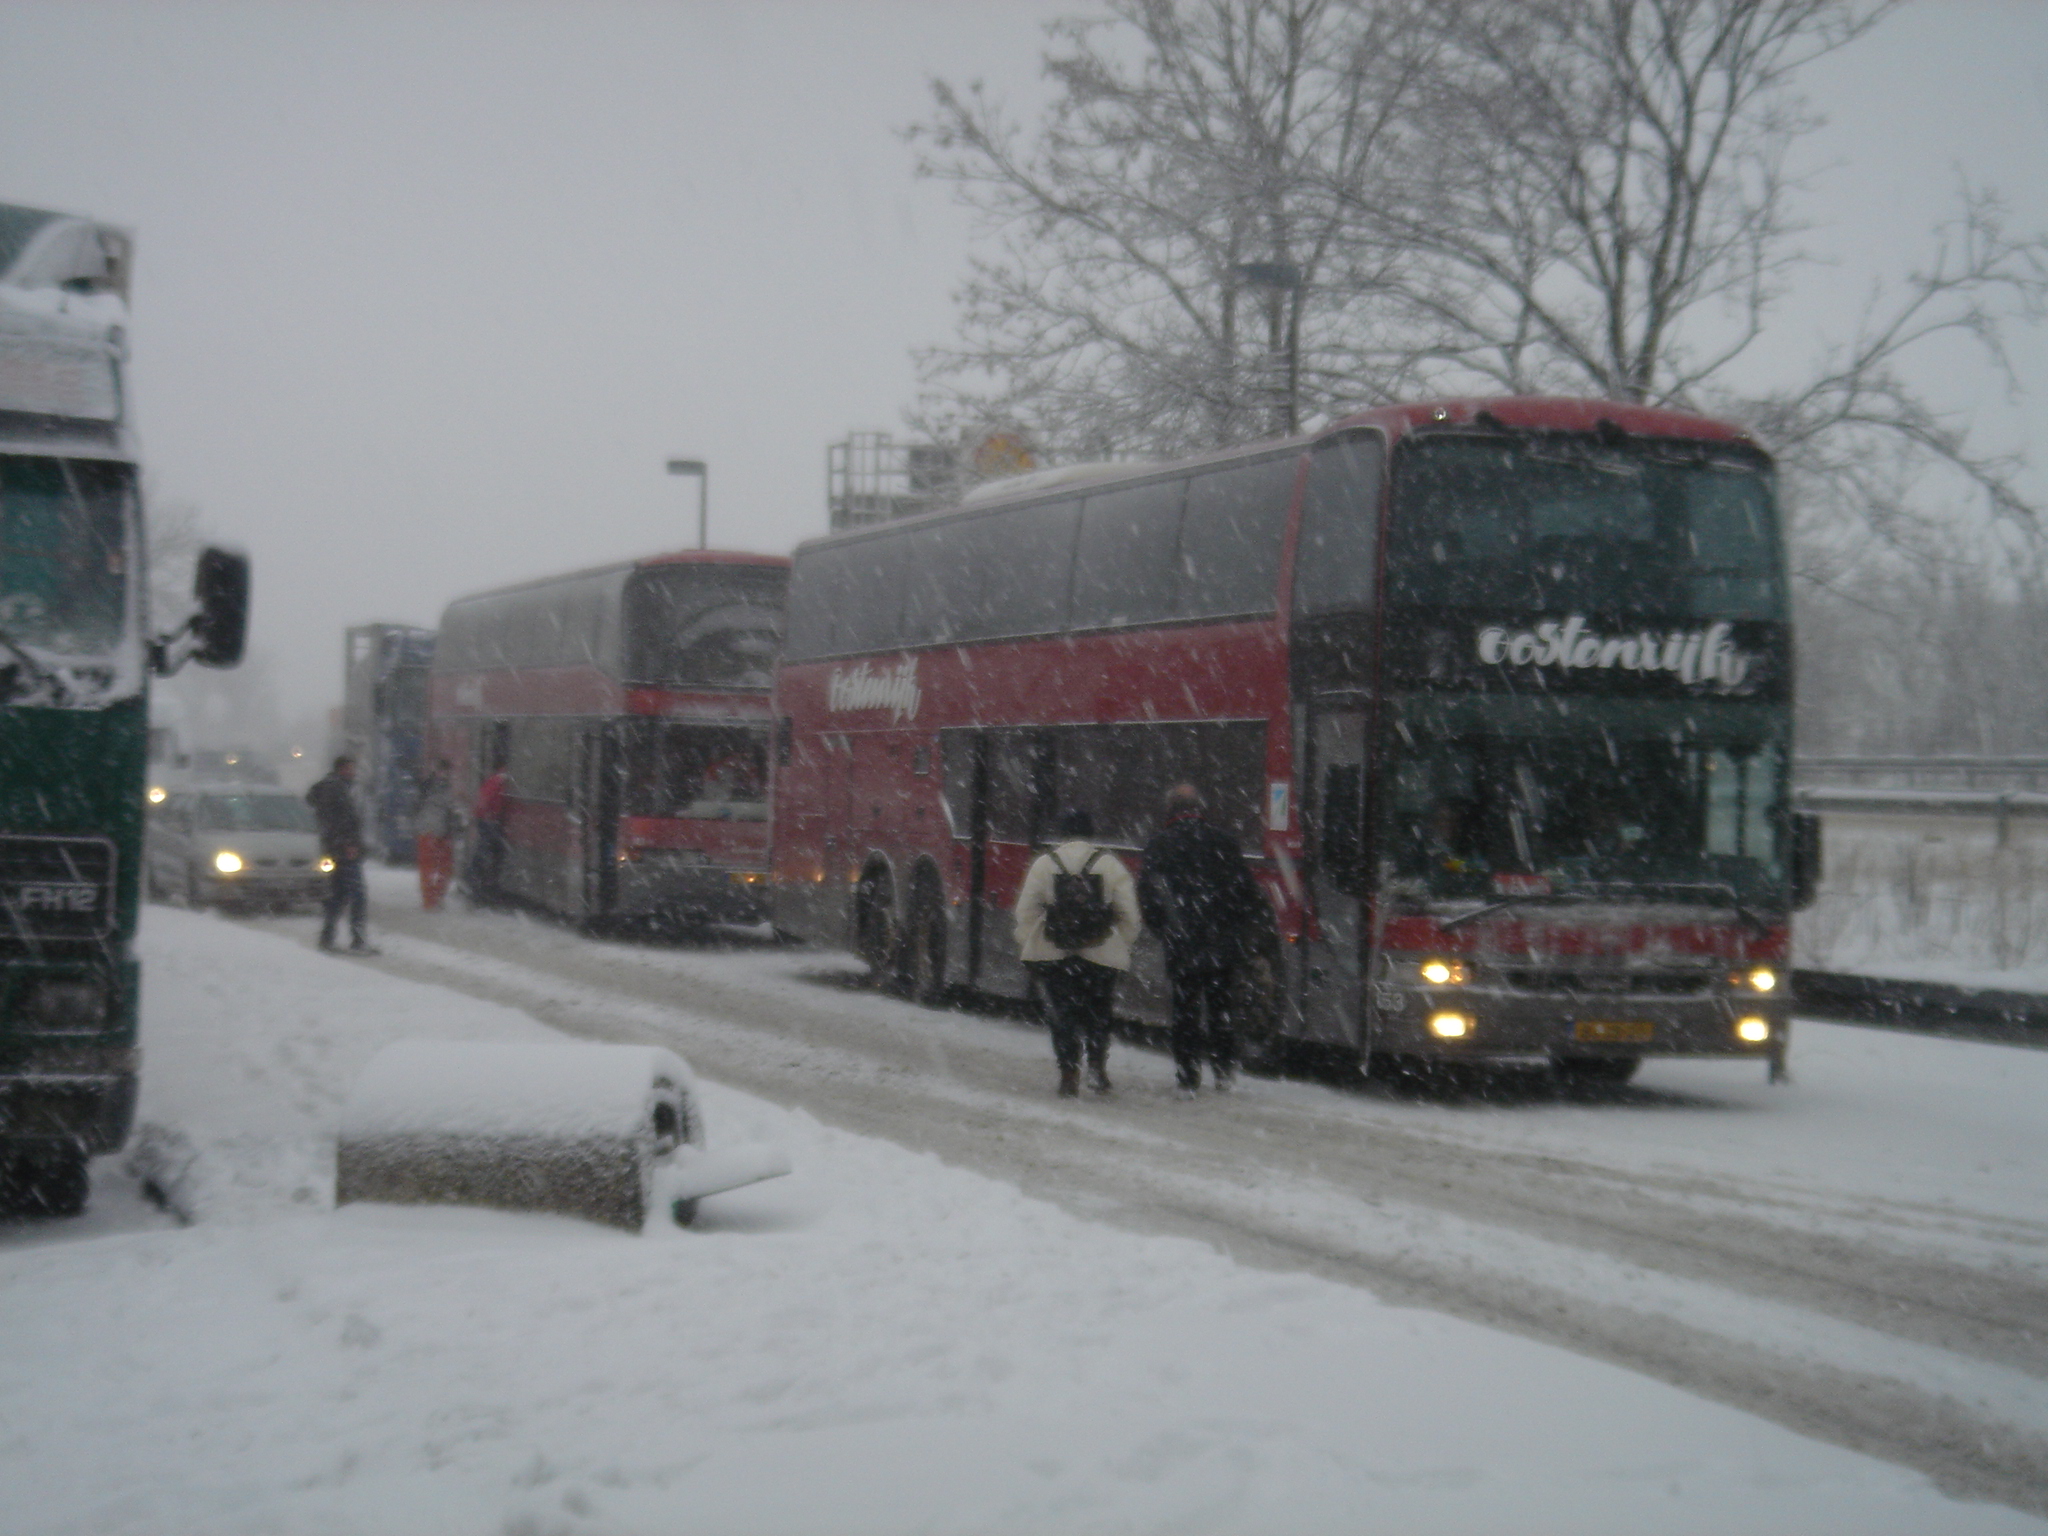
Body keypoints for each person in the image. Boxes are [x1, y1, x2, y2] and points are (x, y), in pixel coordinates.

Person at [1139, 784, 1268, 1096]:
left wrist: (1165, 931)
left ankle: (1188, 1077)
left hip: (1182, 945)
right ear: (1200, 808)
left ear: (1170, 810)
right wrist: (1235, 930)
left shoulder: (1159, 845)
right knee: (1221, 1009)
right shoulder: (1224, 842)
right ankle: (1223, 1071)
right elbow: (1248, 895)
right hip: (1221, 944)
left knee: (1185, 1012)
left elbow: (1148, 897)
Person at [1014, 808, 1141, 1098]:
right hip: (1101, 953)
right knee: (1099, 1011)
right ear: (1090, 832)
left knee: (1063, 1015)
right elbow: (1129, 914)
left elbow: (1026, 912)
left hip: (1055, 953)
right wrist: (1119, 943)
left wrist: (1030, 944)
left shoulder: (1045, 863)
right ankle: (1097, 1067)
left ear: (1063, 832)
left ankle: (1068, 1073)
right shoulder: (1110, 864)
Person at [306, 755, 376, 954]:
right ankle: (357, 940)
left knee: (337, 895)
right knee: (357, 895)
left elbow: (330, 821)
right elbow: (341, 821)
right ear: (341, 769)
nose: (353, 773)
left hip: (335, 849)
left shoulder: (332, 788)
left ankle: (328, 937)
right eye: (350, 769)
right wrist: (348, 843)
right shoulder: (336, 790)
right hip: (344, 851)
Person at [413, 758, 459, 910]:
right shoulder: (432, 786)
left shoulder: (432, 786)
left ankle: (434, 898)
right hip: (431, 831)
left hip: (437, 831)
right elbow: (446, 807)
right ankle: (431, 899)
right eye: (444, 771)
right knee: (432, 867)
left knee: (438, 868)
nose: (446, 774)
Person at [468, 762, 510, 906]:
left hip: (487, 820)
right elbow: (485, 801)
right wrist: (490, 816)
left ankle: (479, 888)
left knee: (487, 852)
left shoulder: (495, 780)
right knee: (489, 853)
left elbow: (483, 800)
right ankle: (480, 890)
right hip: (489, 821)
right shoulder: (499, 781)